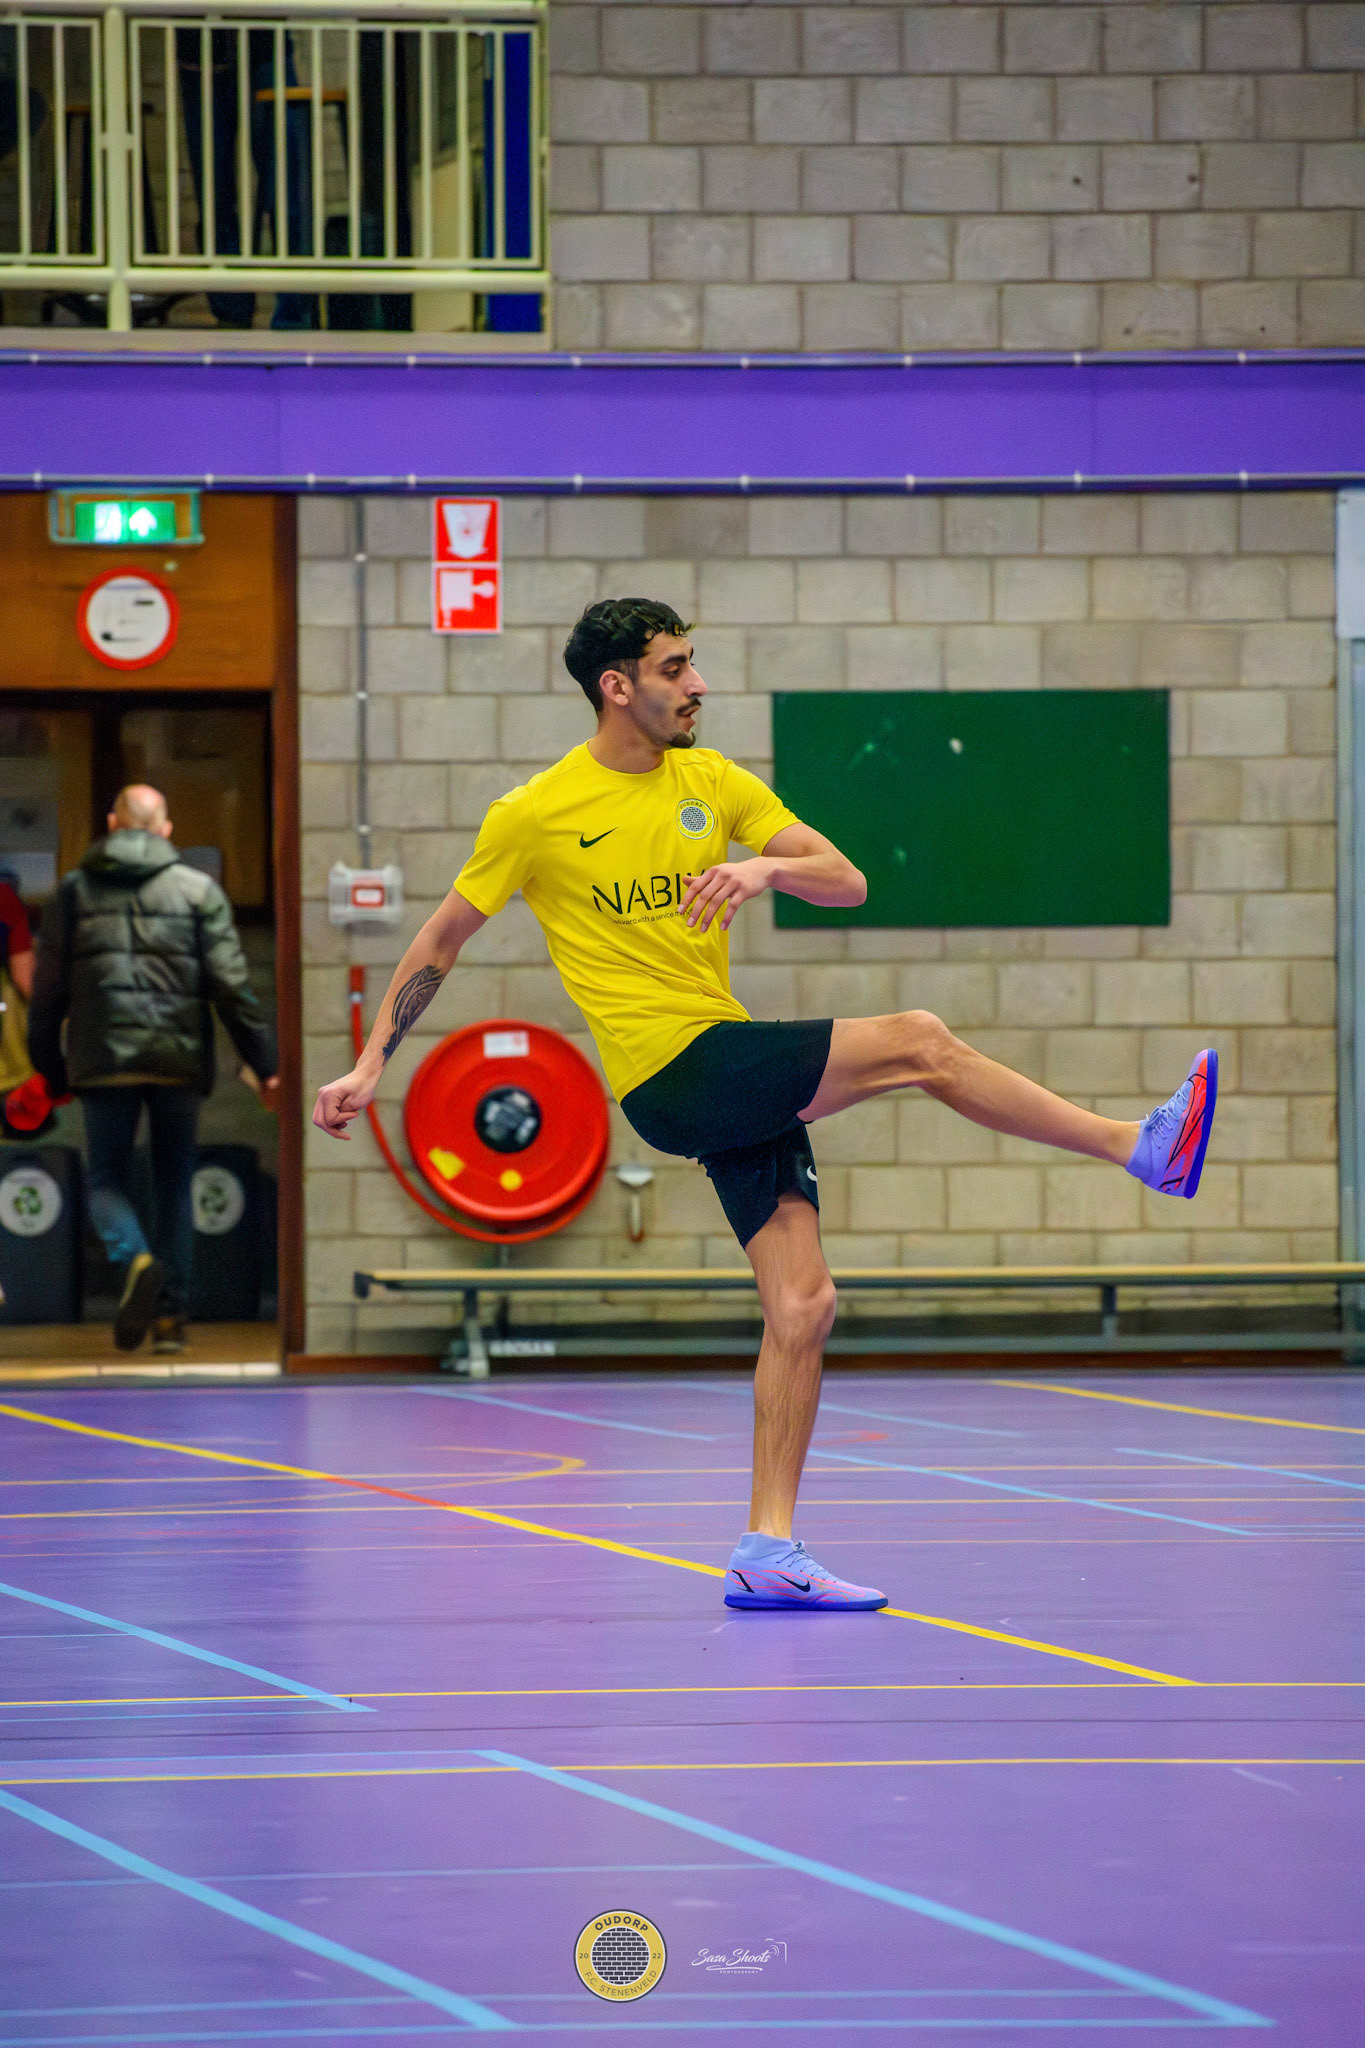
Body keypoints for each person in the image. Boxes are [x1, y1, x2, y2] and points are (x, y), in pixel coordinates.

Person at [313, 599, 1217, 1612]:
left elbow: (848, 880)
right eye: (674, 668)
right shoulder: (535, 813)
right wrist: (371, 1062)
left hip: (723, 1057)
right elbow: (440, 940)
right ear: (616, 685)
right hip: (672, 1070)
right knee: (920, 1041)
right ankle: (1137, 1146)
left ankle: (766, 1548)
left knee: (804, 1304)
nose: (697, 684)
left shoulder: (712, 781)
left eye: (693, 664)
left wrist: (761, 868)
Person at [28, 784, 279, 1354]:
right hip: (177, 1060)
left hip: (103, 1060)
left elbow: (47, 992)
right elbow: (232, 987)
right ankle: (169, 1322)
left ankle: (134, 1257)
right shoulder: (198, 890)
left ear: (113, 823)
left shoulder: (74, 891)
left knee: (106, 1179)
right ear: (165, 830)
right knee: (173, 1182)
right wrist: (264, 1065)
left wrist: (50, 1067)